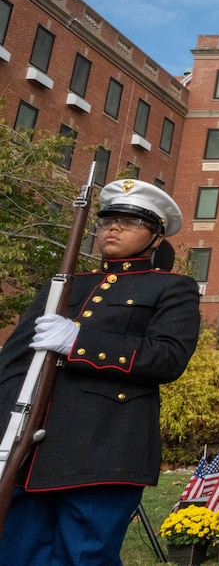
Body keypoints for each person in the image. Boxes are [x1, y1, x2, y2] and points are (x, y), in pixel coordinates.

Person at [0, 179, 201, 565]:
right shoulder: (63, 285)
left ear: (156, 236)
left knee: (85, 557)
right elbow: (15, 361)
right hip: (33, 452)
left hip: (105, 448)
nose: (113, 227)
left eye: (130, 221)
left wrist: (79, 343)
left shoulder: (172, 288)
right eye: (108, 219)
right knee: (18, 554)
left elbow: (167, 358)